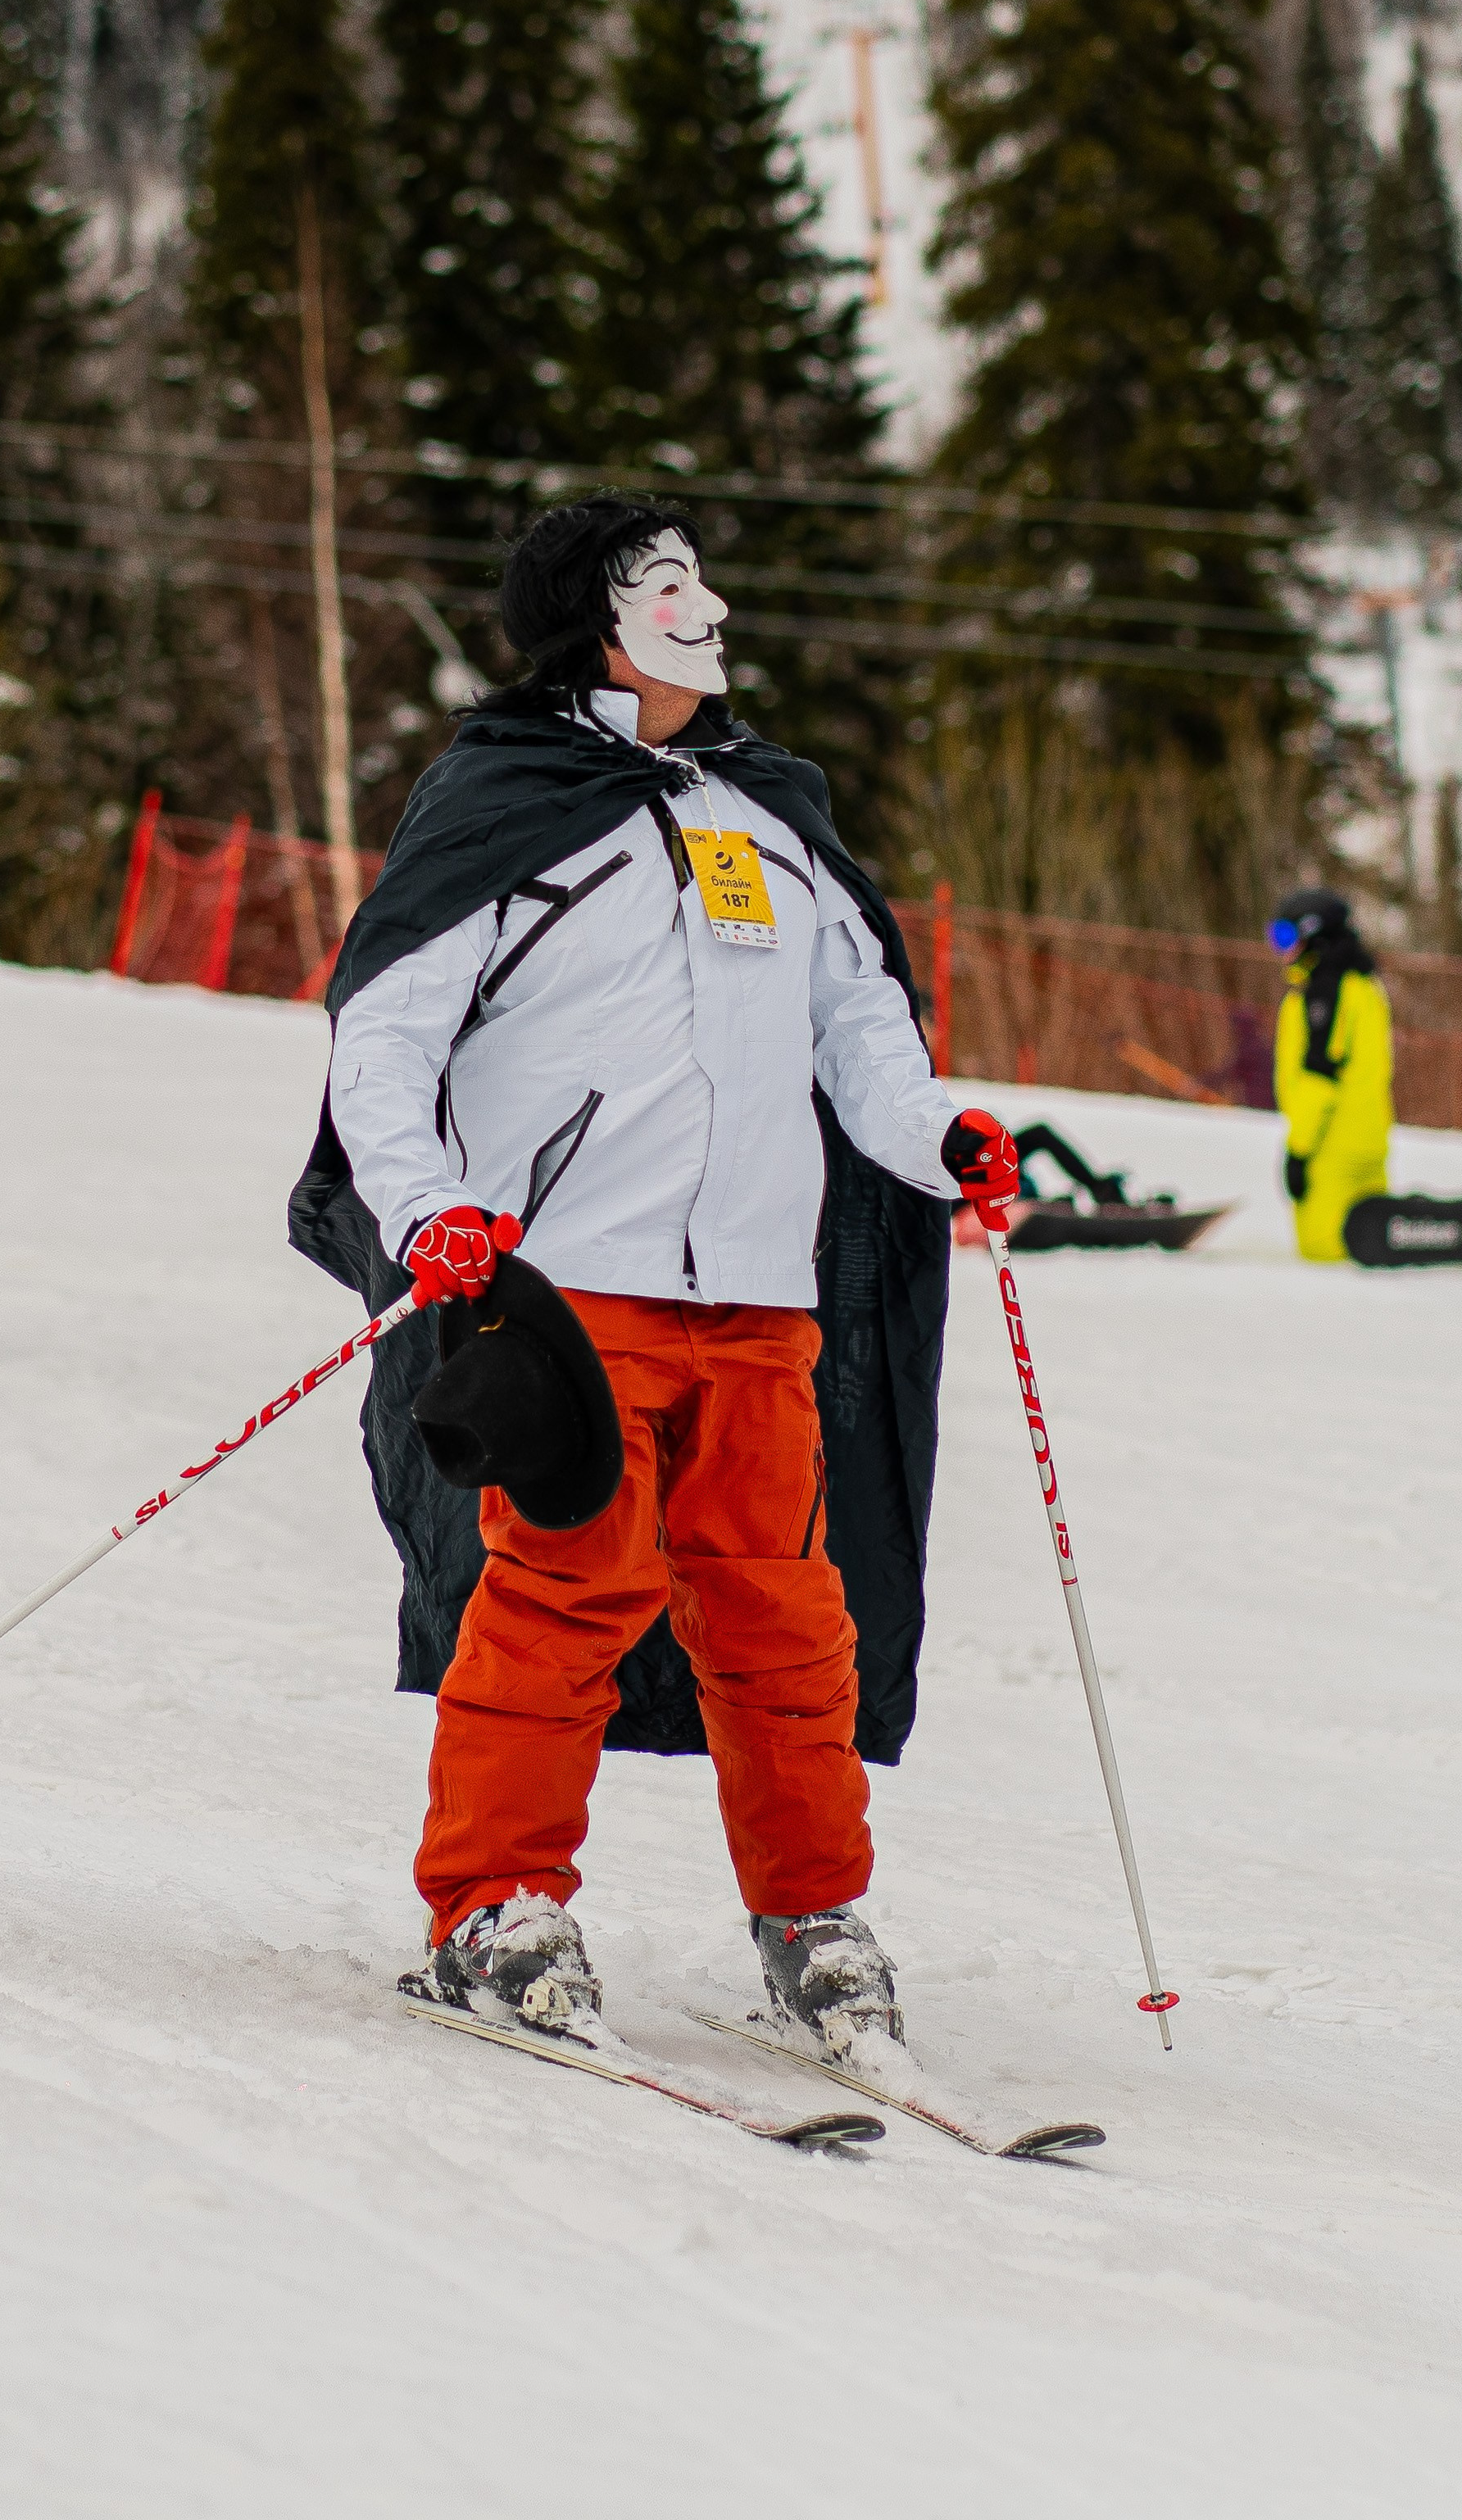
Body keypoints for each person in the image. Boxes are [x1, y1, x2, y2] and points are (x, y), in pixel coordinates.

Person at [289, 495, 1020, 2055]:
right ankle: (494, 1905)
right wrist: (423, 1205)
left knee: (784, 1620)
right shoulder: (508, 801)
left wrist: (935, 1133)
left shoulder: (772, 808)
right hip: (569, 1290)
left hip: (760, 1296)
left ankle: (815, 1920)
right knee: (563, 1597)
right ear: (594, 624)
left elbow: (861, 1032)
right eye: (668, 585)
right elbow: (386, 1031)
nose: (711, 608)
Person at [1269, 890, 1393, 1261]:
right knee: (1369, 1255)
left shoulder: (1325, 992)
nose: (1279, 949)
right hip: (1368, 1143)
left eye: (1285, 936)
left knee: (1325, 1258)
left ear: (1313, 934)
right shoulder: (1364, 987)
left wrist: (1298, 1151)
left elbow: (1320, 1076)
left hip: (1331, 1151)